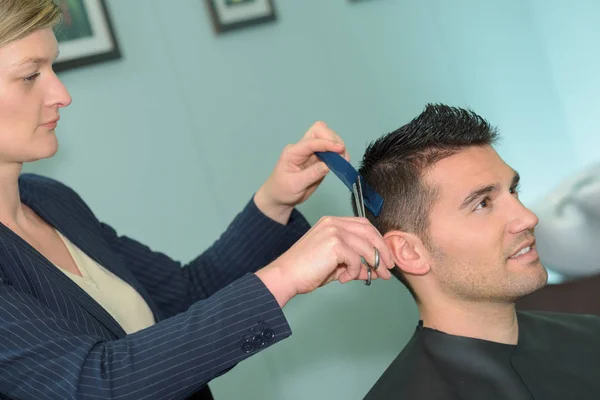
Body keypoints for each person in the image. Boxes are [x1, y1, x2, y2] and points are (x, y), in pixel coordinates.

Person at [0, 1, 395, 399]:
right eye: (31, 75)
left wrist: (274, 201)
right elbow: (97, 386)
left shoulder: (52, 200)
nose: (61, 94)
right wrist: (286, 276)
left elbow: (184, 294)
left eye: (54, 68)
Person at [357, 104, 600, 400]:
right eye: (482, 203)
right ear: (409, 252)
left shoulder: (590, 337)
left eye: (513, 191)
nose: (528, 218)